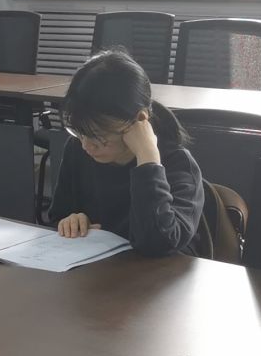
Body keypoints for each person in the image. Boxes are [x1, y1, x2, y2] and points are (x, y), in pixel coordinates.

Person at [48, 50, 206, 256]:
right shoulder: (76, 148)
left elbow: (157, 244)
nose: (86, 145)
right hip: (102, 268)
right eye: (80, 132)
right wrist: (71, 221)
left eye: (99, 136)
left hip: (163, 273)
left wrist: (148, 160)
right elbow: (58, 216)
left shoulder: (178, 163)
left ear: (139, 119)